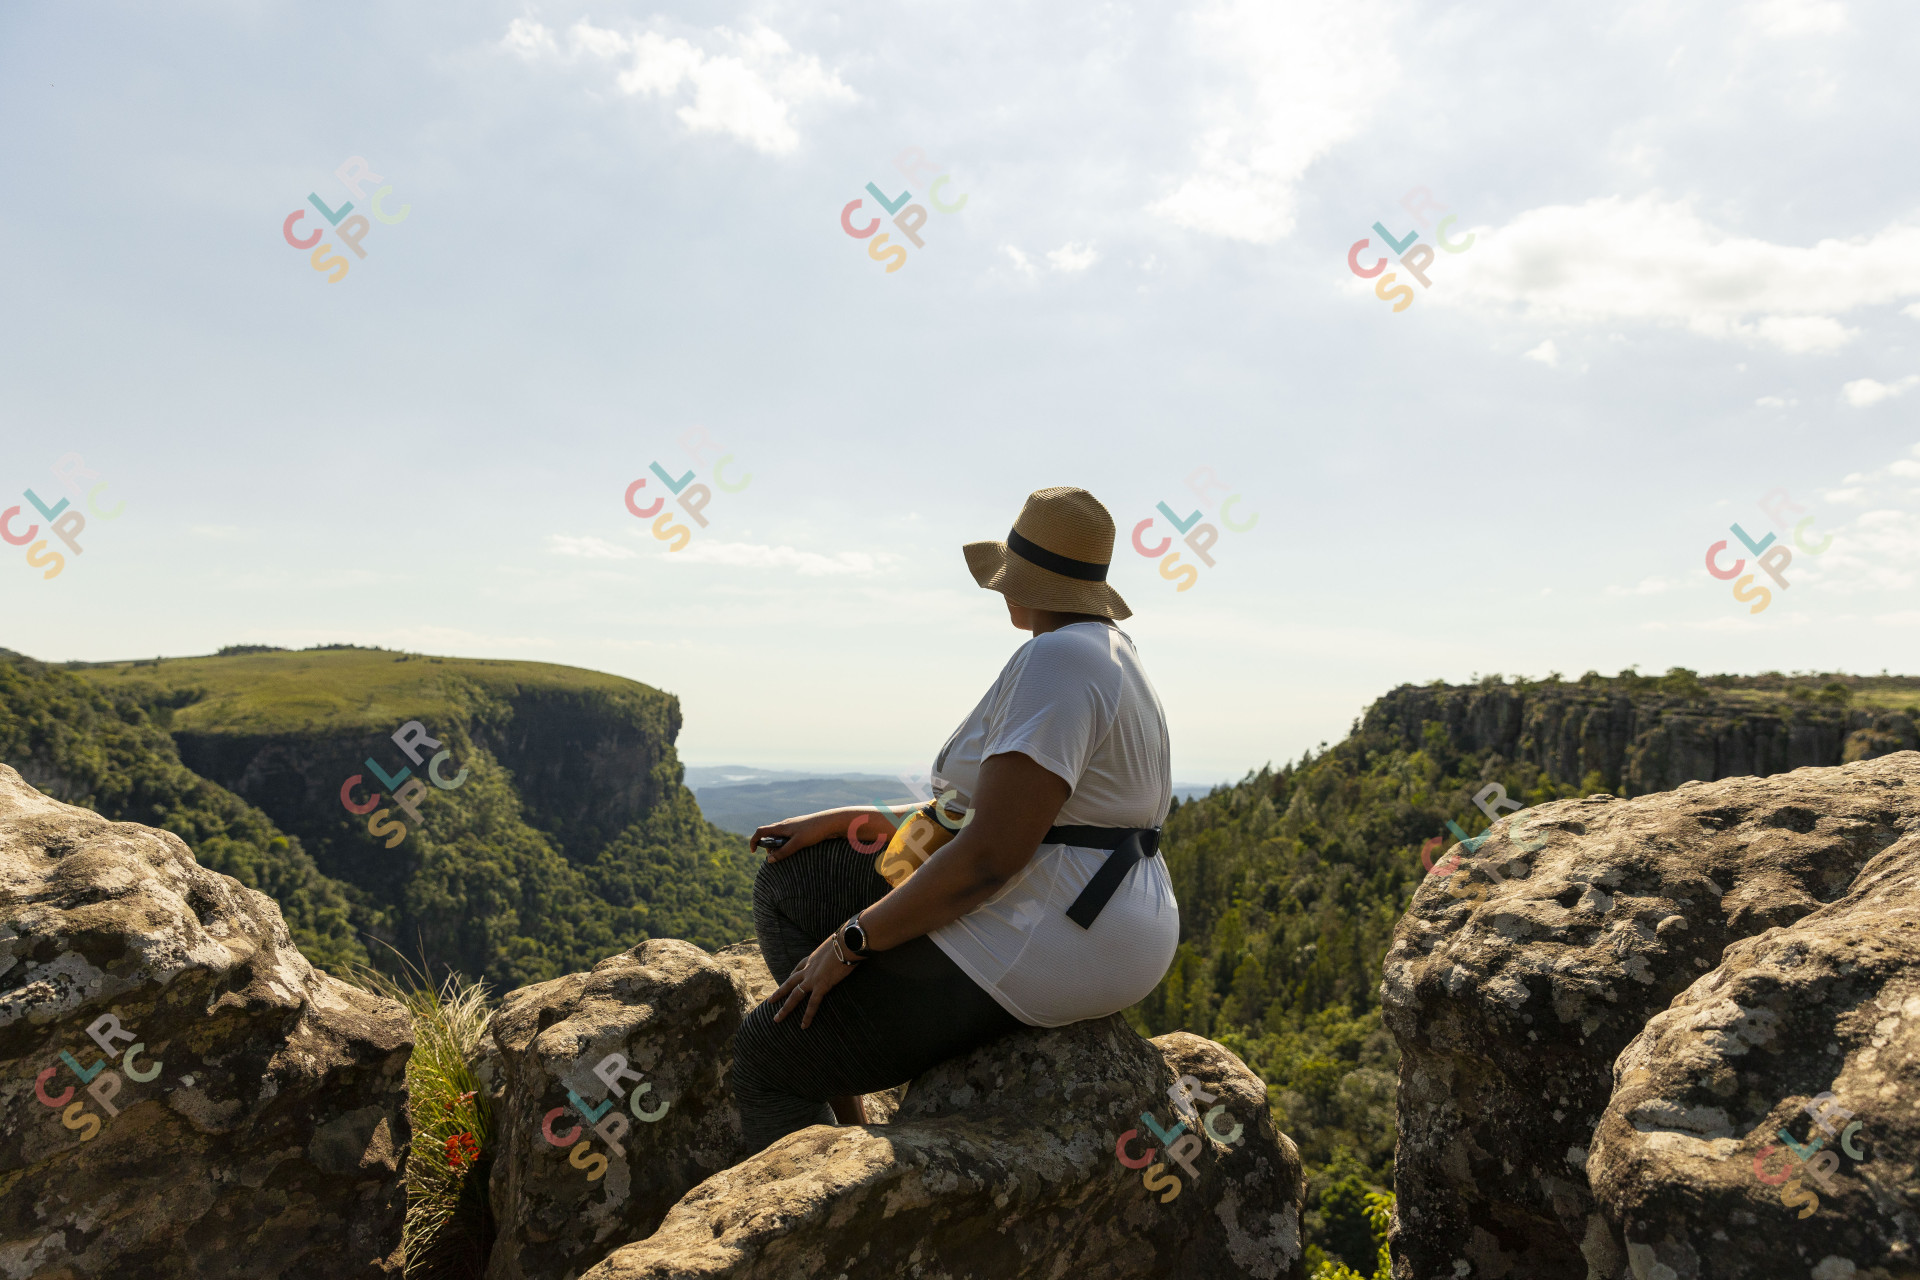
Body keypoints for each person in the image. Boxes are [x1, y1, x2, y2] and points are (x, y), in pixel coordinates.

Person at [730, 486, 1178, 1154]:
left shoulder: (1055, 660)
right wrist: (846, 821)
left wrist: (850, 942)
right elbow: (976, 812)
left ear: (1028, 580)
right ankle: (845, 1095)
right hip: (1093, 913)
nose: (1000, 591)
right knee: (797, 879)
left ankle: (833, 1205)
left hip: (1053, 928)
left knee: (761, 1060)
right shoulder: (1104, 650)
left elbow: (991, 856)